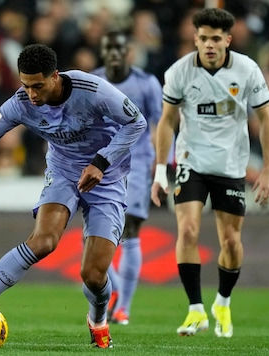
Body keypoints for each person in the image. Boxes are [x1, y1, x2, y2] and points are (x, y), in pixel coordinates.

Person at [0, 43, 147, 348]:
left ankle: (98, 319)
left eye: (38, 85)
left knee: (92, 274)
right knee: (43, 241)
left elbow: (137, 122)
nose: (32, 94)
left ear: (55, 77)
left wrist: (101, 161)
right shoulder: (20, 104)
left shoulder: (92, 90)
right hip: (63, 174)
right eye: (25, 86)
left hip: (107, 178)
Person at [150, 7, 269, 338]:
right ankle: (195, 310)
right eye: (203, 38)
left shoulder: (247, 70)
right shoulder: (179, 72)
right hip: (192, 162)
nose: (209, 44)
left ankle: (222, 301)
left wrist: (268, 169)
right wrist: (161, 169)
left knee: (231, 242)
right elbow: (167, 120)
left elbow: (266, 119)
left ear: (228, 41)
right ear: (195, 39)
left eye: (216, 39)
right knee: (188, 230)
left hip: (231, 166)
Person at [90, 30, 163, 326]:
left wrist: (162, 167)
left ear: (128, 51)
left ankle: (124, 308)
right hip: (101, 163)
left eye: (120, 48)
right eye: (109, 48)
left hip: (138, 162)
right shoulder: (92, 80)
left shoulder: (147, 83)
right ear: (103, 50)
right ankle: (118, 290)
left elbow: (160, 125)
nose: (115, 54)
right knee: (94, 234)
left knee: (130, 229)